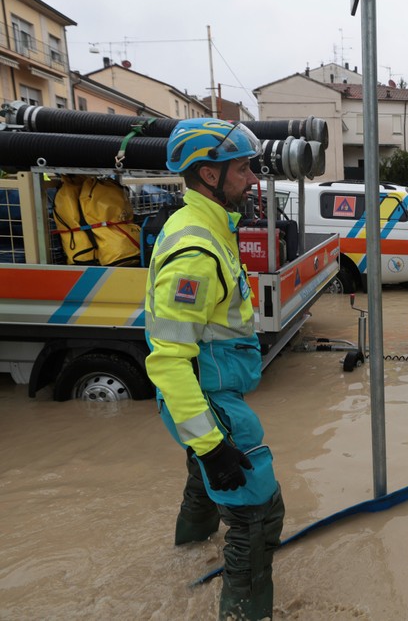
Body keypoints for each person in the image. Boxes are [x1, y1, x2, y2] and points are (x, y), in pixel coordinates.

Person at [144, 118, 284, 621]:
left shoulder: (204, 226)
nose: (253, 180)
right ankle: (245, 613)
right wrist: (211, 442)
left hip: (206, 396)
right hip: (209, 400)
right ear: (208, 175)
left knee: (204, 484)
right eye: (243, 169)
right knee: (258, 517)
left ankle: (184, 553)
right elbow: (168, 360)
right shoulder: (197, 251)